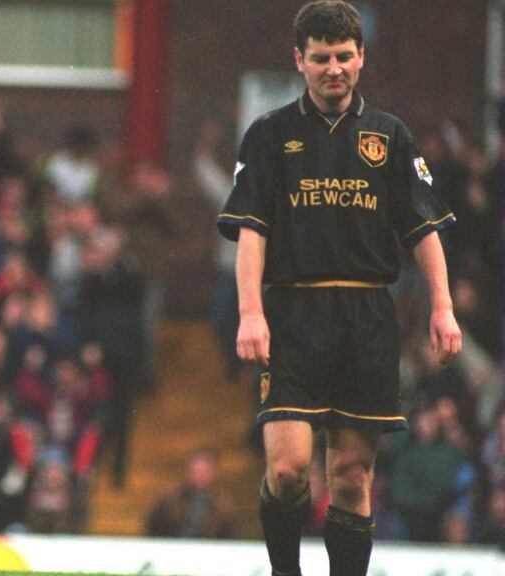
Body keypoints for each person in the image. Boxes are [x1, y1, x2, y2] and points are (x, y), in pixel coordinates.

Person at [216, 1, 462, 574]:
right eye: (321, 57)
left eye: (344, 57)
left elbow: (423, 230)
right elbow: (251, 231)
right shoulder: (270, 135)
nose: (334, 68)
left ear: (361, 59)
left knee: (352, 476)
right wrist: (251, 313)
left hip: (366, 316)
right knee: (288, 469)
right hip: (293, 312)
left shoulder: (389, 136)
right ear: (298, 60)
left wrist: (443, 308)